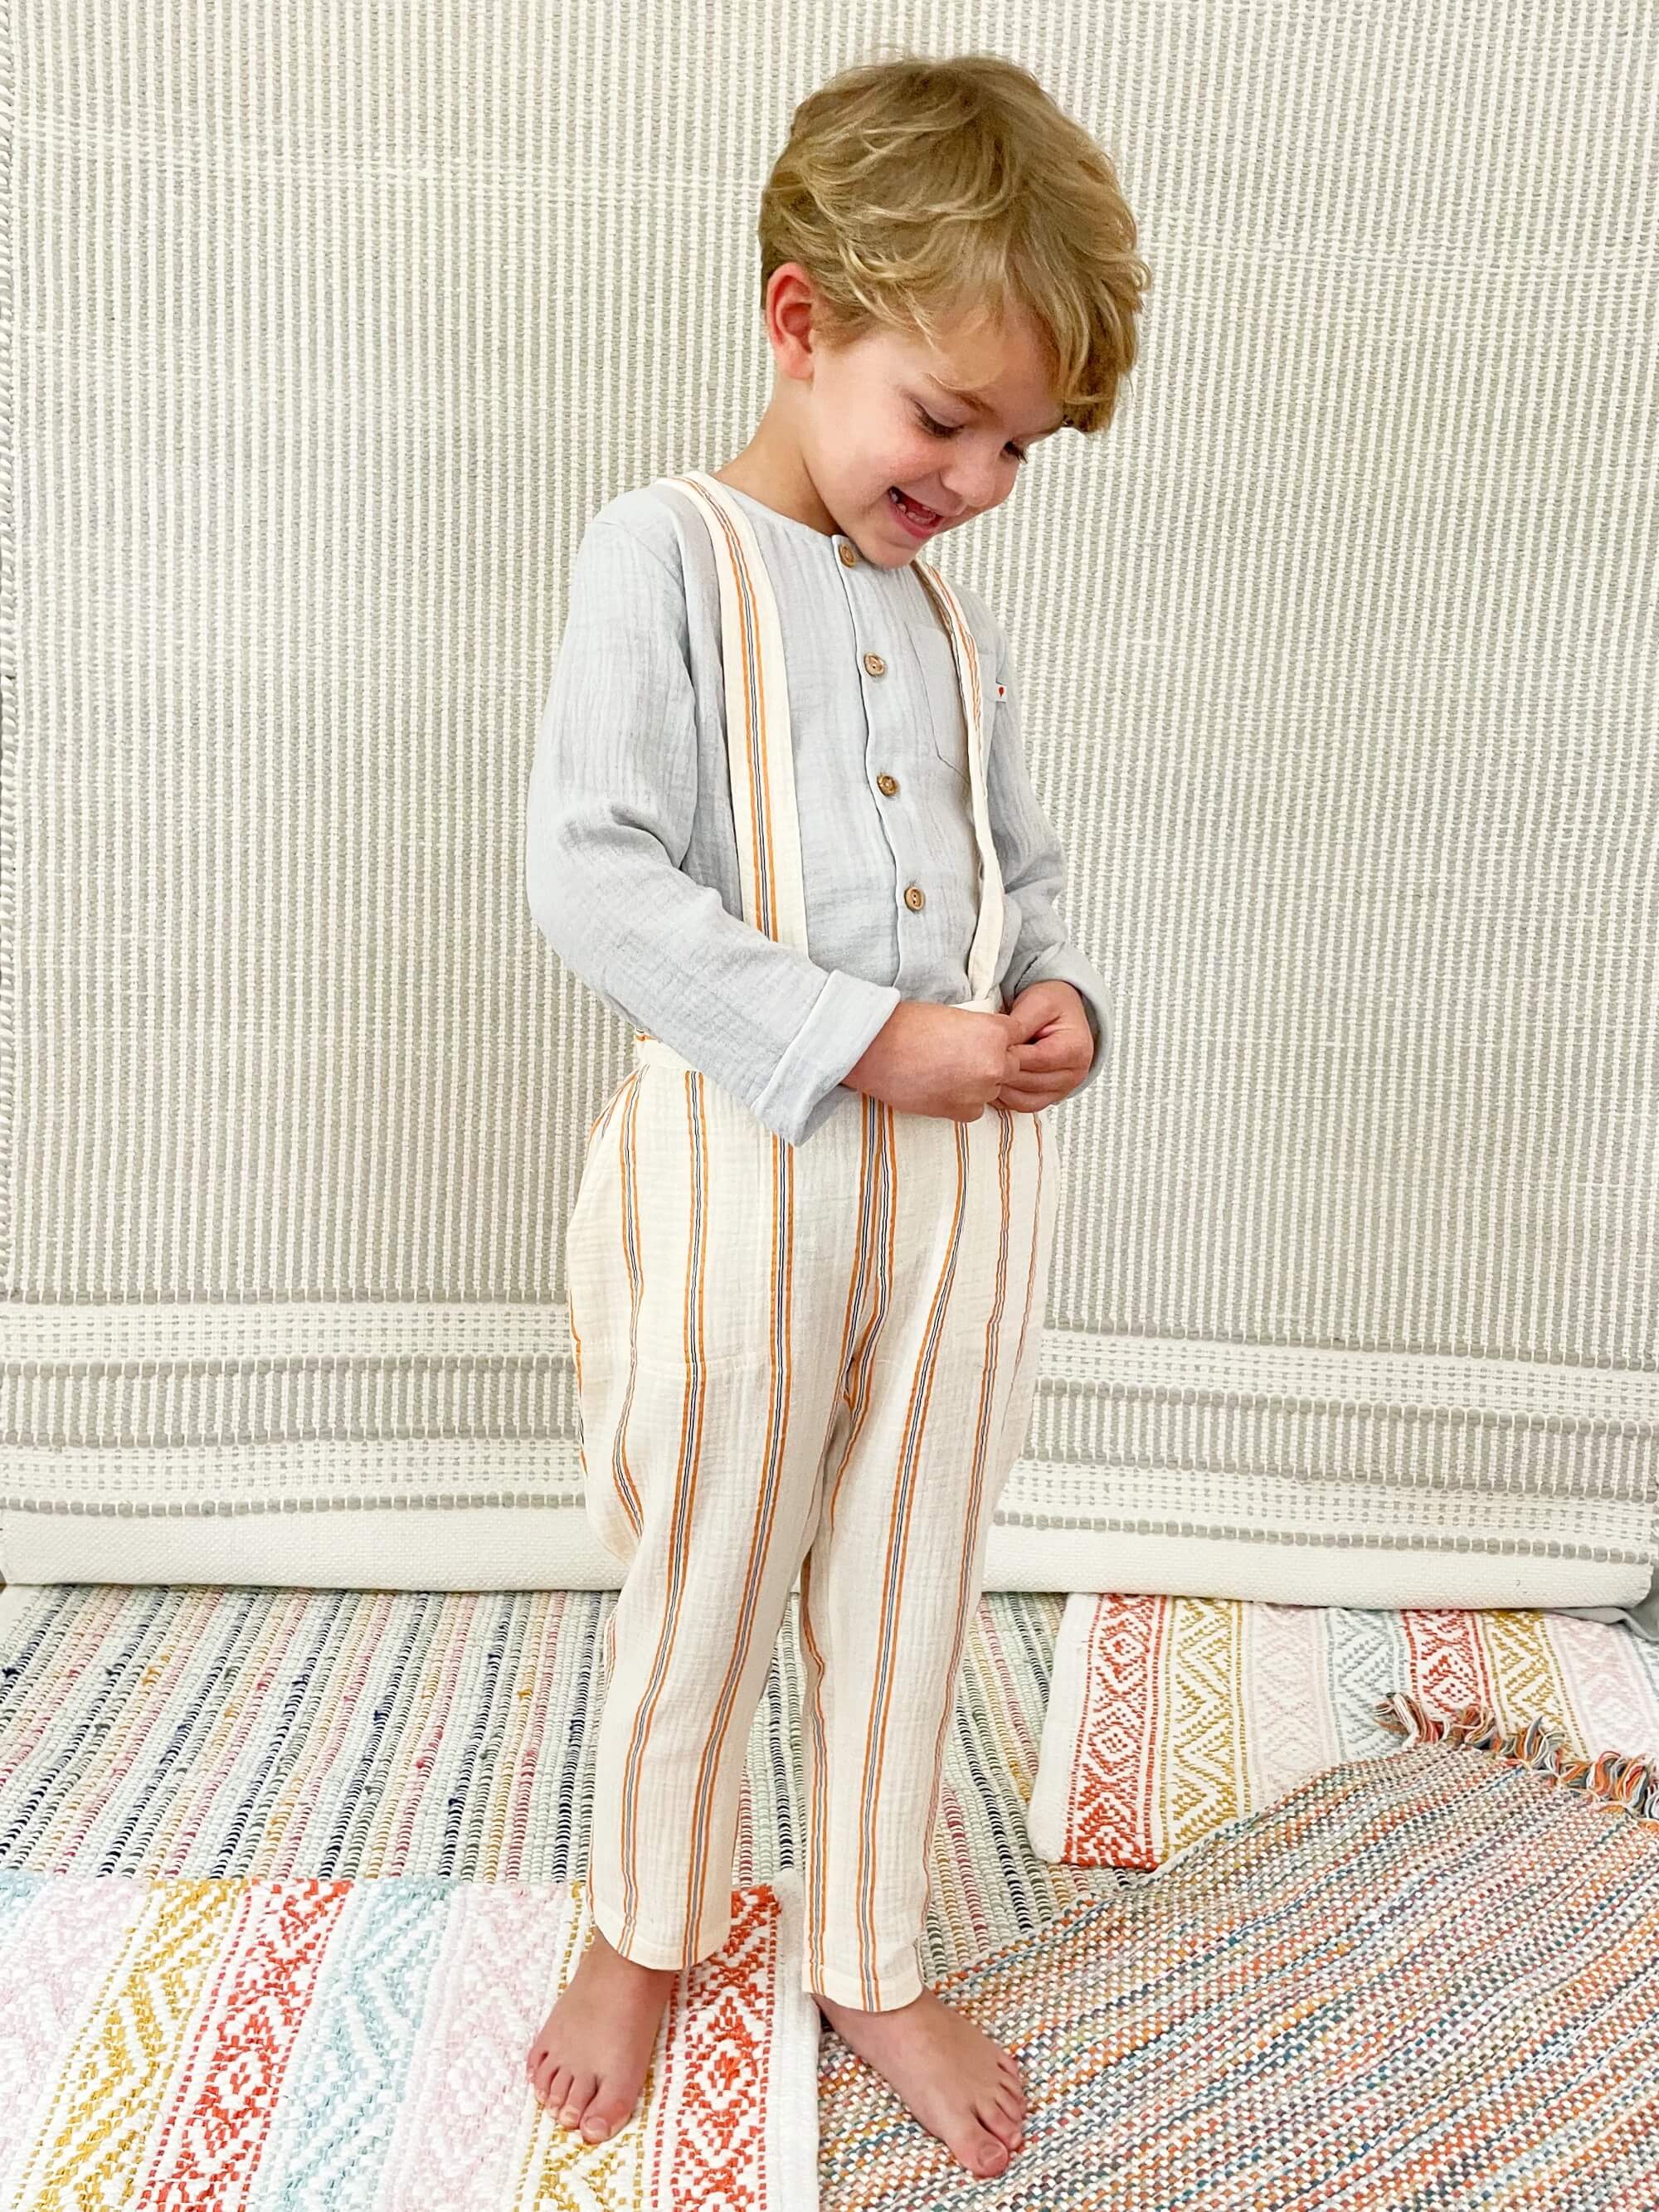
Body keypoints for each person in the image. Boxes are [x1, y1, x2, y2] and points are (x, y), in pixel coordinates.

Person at [521, 48, 1149, 2180]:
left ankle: (869, 1943)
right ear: (799, 320)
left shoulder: (950, 622)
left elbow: (1017, 873)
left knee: (911, 1567)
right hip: (745, 1173)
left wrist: (1055, 997)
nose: (978, 478)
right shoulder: (662, 555)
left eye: (1018, 445)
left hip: (971, 1189)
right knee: (710, 1552)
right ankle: (646, 1918)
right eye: (944, 418)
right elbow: (594, 871)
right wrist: (872, 1041)